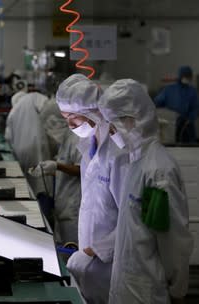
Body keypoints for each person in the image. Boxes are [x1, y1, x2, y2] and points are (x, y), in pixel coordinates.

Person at [99, 79, 193, 304]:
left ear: (131, 121)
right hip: (127, 283)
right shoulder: (135, 161)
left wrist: (178, 289)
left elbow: (172, 240)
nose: (111, 133)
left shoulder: (158, 171)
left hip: (147, 290)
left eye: (113, 127)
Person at [55, 73, 124, 304]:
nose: (70, 126)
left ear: (91, 113)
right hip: (91, 262)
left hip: (112, 265)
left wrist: (92, 252)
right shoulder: (88, 148)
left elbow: (132, 220)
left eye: (72, 119)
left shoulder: (118, 154)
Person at [29, 102, 81, 246]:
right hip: (63, 206)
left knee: (73, 249)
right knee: (64, 250)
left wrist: (57, 166)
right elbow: (67, 167)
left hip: (74, 208)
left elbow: (83, 171)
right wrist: (51, 171)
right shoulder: (67, 136)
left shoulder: (78, 138)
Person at [4, 92, 55, 198]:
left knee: (29, 183)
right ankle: (45, 207)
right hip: (38, 145)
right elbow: (50, 109)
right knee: (42, 181)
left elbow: (8, 138)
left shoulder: (12, 113)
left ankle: (36, 204)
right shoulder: (32, 97)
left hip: (20, 152)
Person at [154, 65, 198, 143]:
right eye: (185, 76)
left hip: (187, 124)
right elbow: (157, 102)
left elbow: (195, 107)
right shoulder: (170, 89)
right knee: (172, 143)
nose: (186, 78)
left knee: (189, 146)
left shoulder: (192, 91)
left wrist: (190, 118)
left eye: (188, 76)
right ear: (180, 76)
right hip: (172, 122)